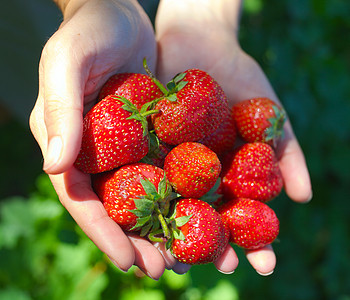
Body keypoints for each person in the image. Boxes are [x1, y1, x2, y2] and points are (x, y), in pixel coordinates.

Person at [29, 0, 312, 280]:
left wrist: (207, 14)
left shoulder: (153, 139)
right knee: (43, 70)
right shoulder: (141, 130)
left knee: (62, 88)